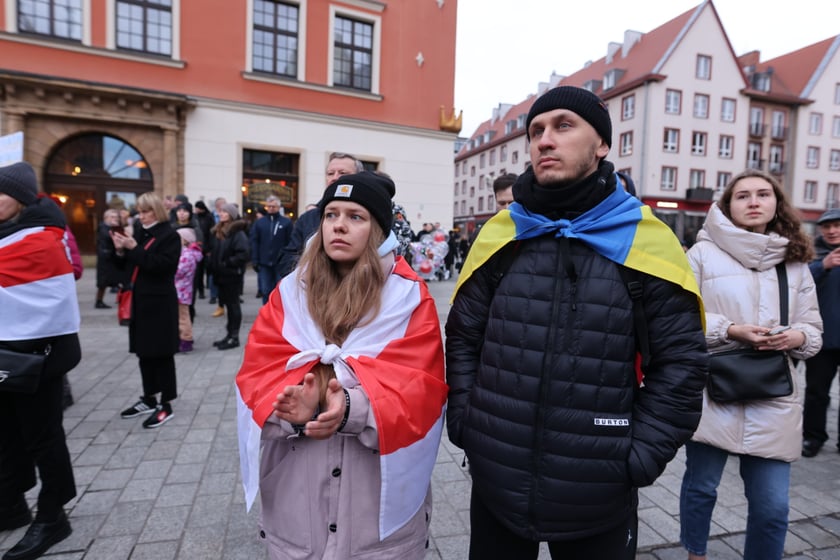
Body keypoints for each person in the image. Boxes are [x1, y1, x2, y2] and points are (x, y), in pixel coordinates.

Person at [445, 86, 708, 559]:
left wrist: (637, 456)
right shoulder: (503, 233)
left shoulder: (647, 239)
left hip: (599, 491)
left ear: (602, 144)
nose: (545, 140)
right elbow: (464, 337)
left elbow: (681, 365)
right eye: (536, 131)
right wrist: (467, 421)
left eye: (564, 125)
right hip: (496, 480)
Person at [235, 171, 447, 559]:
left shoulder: (408, 300)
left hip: (375, 510)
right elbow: (255, 375)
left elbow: (423, 394)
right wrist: (292, 409)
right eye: (331, 214)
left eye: (356, 216)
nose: (339, 225)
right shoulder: (288, 294)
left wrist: (350, 408)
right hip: (298, 505)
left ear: (378, 231)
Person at [679, 168, 823, 560]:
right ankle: (696, 555)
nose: (754, 201)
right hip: (713, 391)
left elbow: (814, 331)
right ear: (728, 206)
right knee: (701, 487)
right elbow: (681, 320)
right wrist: (732, 330)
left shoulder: (794, 262)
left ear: (777, 203)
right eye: (743, 195)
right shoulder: (701, 255)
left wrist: (796, 337)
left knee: (773, 506)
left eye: (763, 193)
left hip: (773, 395)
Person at [0, 161, 81, 560]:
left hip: (40, 355)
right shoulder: (6, 233)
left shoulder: (42, 237)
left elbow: (46, 294)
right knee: (7, 432)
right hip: (5, 351)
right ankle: (11, 502)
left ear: (18, 199)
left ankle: (53, 515)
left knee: (43, 436)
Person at [111, 192, 181, 429]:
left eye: (145, 211)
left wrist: (134, 248)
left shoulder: (170, 235)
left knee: (162, 354)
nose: (140, 216)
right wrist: (121, 250)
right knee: (144, 352)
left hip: (160, 303)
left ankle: (166, 403)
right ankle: (149, 398)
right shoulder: (140, 232)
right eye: (139, 211)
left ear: (156, 211)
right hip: (140, 302)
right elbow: (128, 267)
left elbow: (162, 267)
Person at [277, 152, 364, 277]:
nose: (335, 177)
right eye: (330, 173)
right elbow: (288, 257)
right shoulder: (308, 218)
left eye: (342, 173)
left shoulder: (370, 216)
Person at [802, 208, 840, 457]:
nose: (832, 230)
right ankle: (813, 438)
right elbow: (799, 287)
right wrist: (822, 267)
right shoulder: (811, 257)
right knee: (816, 393)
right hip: (823, 339)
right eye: (827, 226)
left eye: (837, 225)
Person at [207, 203, 249, 350]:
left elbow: (243, 254)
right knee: (227, 305)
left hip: (231, 275)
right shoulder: (220, 231)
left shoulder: (237, 233)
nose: (221, 213)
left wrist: (226, 263)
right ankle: (228, 335)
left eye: (225, 212)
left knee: (233, 306)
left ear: (231, 214)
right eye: (220, 211)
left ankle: (234, 337)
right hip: (221, 275)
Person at [250, 195, 292, 304]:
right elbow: (254, 241)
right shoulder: (260, 223)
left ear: (279, 207)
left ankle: (278, 314)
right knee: (265, 290)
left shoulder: (286, 222)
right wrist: (254, 259)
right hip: (264, 263)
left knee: (279, 290)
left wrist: (288, 260)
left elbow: (290, 242)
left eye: (274, 206)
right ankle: (266, 313)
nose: (271, 208)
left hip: (280, 263)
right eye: (269, 206)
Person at [174, 228, 202, 353]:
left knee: (183, 317)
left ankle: (186, 339)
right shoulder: (184, 253)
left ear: (185, 240)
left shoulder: (187, 255)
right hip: (181, 290)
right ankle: (181, 338)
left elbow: (178, 271)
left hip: (181, 291)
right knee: (180, 316)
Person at [95, 208, 124, 308]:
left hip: (111, 257)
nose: (115, 219)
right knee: (103, 282)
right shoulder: (103, 227)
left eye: (116, 217)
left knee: (116, 280)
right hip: (105, 258)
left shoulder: (113, 227)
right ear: (106, 218)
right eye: (112, 217)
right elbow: (108, 237)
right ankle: (99, 301)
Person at [193, 200, 214, 299]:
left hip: (207, 247)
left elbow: (211, 234)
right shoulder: (195, 218)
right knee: (199, 271)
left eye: (197, 208)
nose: (196, 210)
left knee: (209, 269)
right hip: (198, 247)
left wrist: (210, 248)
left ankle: (210, 288)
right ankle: (201, 291)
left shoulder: (209, 217)